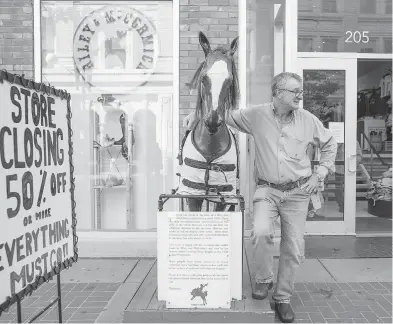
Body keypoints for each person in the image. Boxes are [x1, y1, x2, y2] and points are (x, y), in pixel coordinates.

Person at [183, 72, 337, 323]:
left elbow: (330, 144)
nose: (300, 95)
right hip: (267, 190)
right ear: (277, 93)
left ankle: (283, 298)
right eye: (294, 90)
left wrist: (319, 173)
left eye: (301, 90)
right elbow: (221, 114)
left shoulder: (308, 120)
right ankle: (264, 278)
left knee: (294, 248)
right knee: (261, 231)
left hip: (298, 193)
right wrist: (196, 115)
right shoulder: (256, 115)